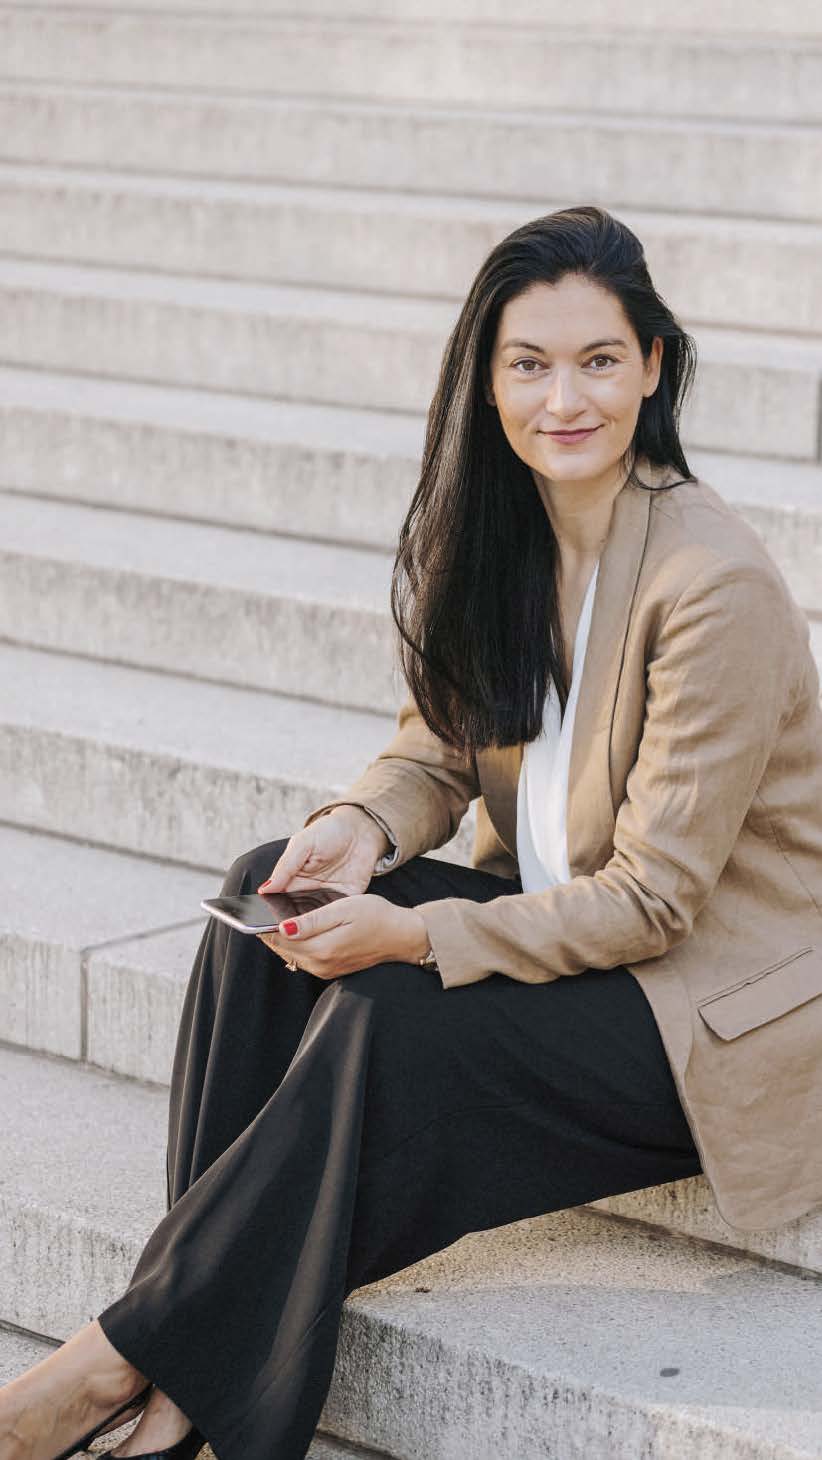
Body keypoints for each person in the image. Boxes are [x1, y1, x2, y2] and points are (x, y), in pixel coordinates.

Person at [3, 204, 821, 1460]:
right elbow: (438, 747)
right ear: (486, 378)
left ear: (654, 365)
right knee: (257, 909)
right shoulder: (508, 531)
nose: (566, 397)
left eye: (600, 359)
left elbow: (655, 900)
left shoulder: (711, 583)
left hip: (703, 1002)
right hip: (577, 935)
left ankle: (118, 1360)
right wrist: (357, 829)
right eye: (529, 363)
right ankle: (195, 1361)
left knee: (394, 1005)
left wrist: (422, 930)